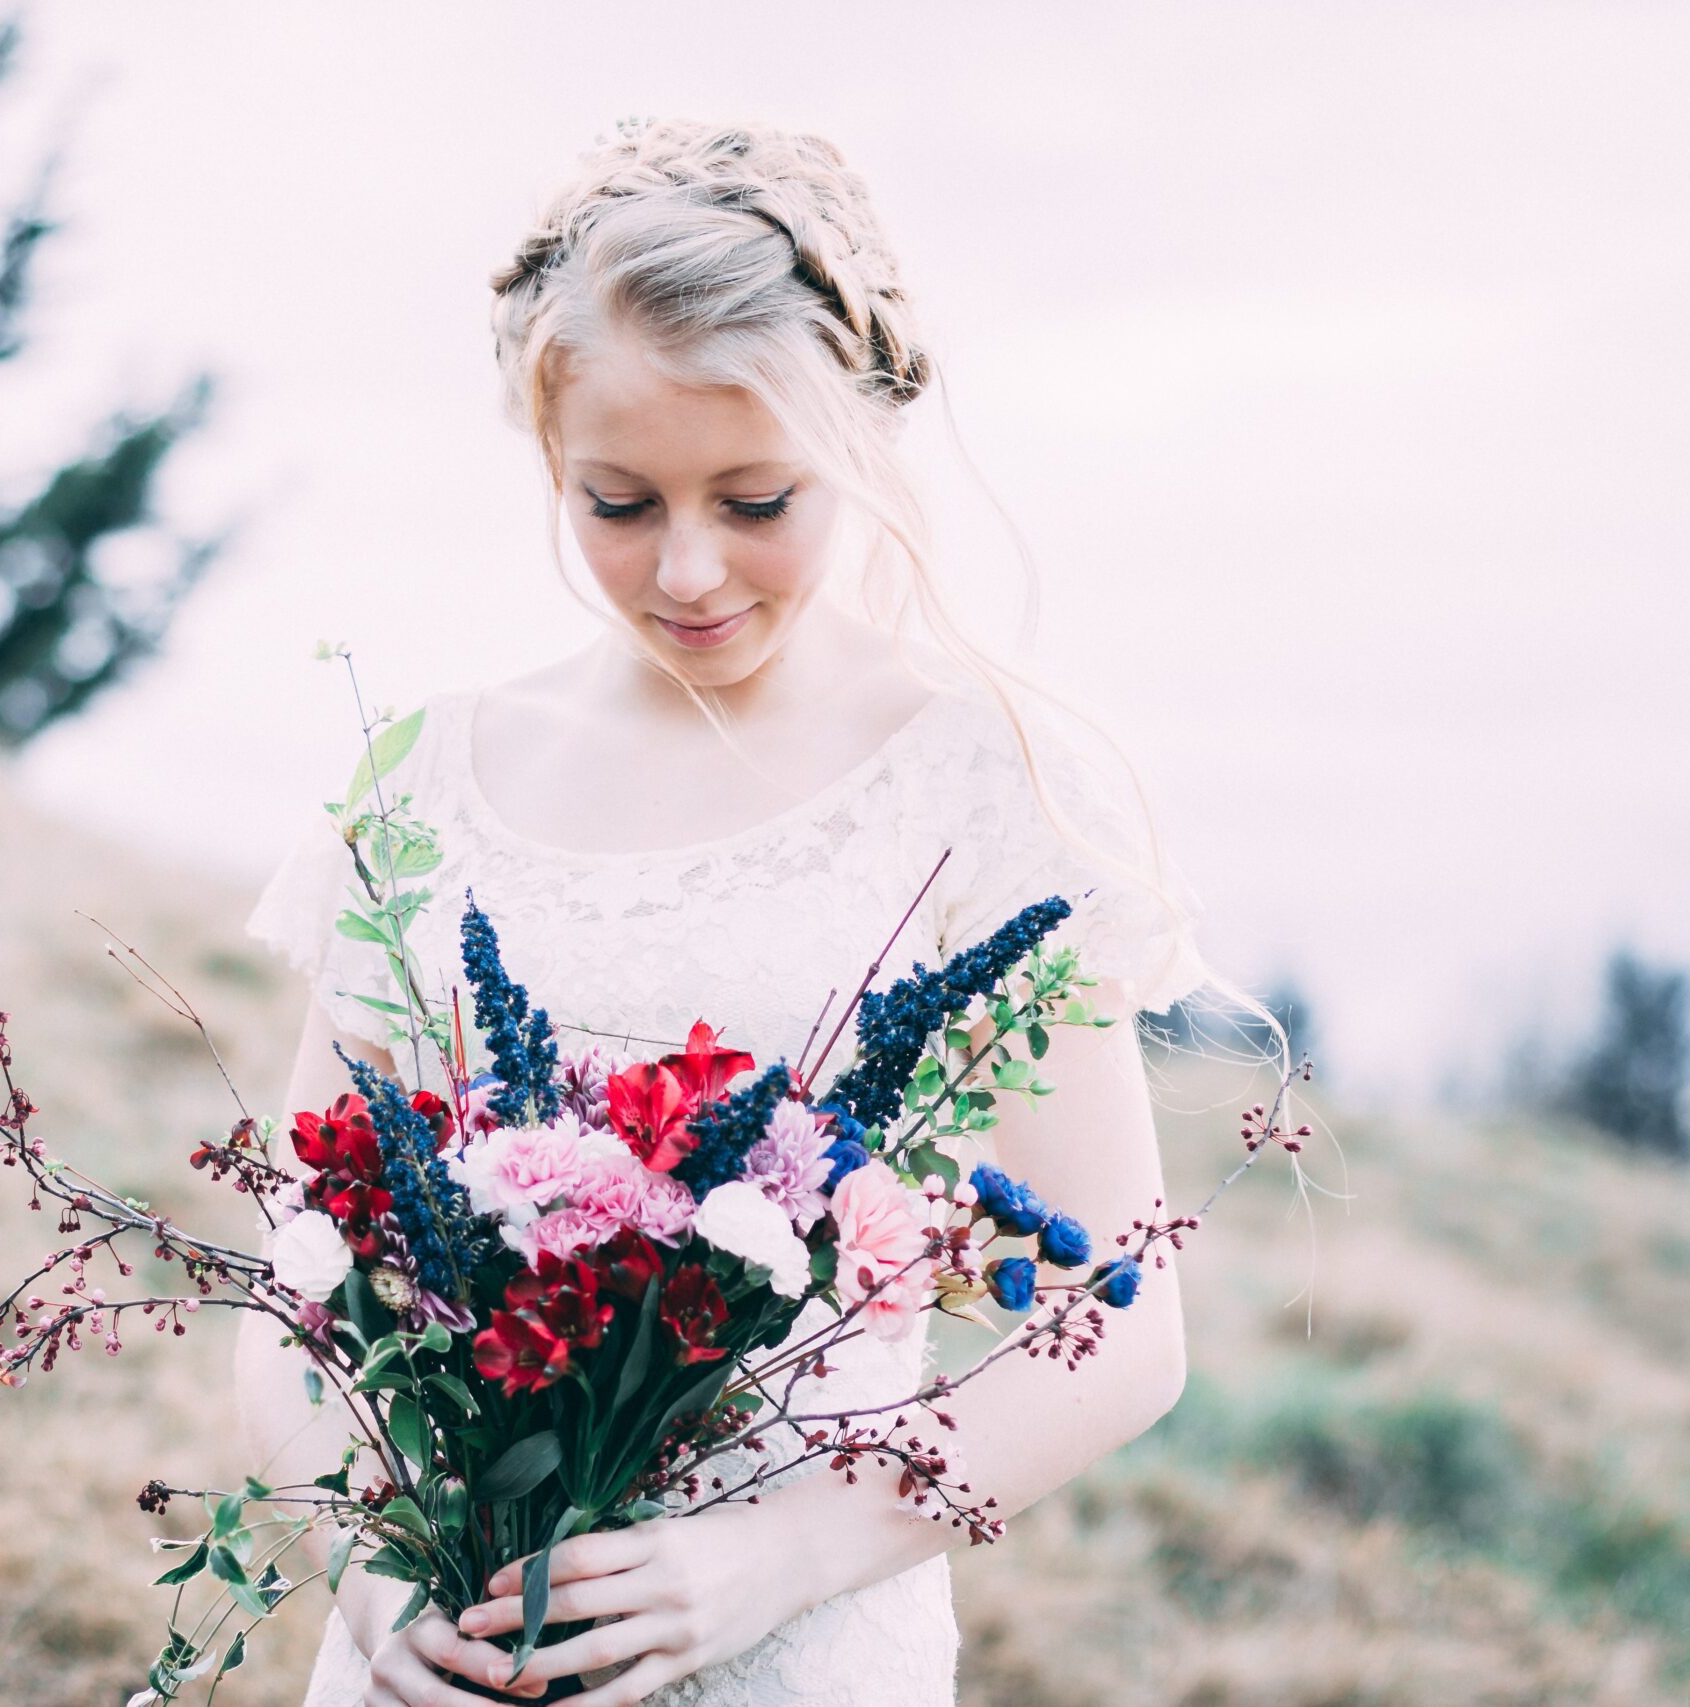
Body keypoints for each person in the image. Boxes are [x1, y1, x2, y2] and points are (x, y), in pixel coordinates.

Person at [235, 116, 1247, 1707]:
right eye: (620, 504)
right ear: (547, 457)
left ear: (855, 445)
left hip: (791, 1653)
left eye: (758, 500)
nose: (690, 569)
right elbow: (300, 1271)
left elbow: (1124, 1332)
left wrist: (768, 1560)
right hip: (440, 1654)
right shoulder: (428, 781)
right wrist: (376, 1581)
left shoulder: (977, 787)